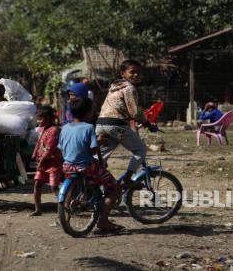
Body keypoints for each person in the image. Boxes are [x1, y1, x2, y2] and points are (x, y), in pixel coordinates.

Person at [58, 97, 123, 234]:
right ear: (88, 113)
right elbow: (93, 150)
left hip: (68, 166)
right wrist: (99, 141)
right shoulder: (88, 128)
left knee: (85, 183)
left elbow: (61, 148)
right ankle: (103, 220)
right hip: (86, 167)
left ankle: (67, 215)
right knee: (114, 187)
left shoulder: (64, 128)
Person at [95, 60, 158, 189]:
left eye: (138, 73)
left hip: (101, 124)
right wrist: (147, 123)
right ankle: (128, 179)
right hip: (116, 124)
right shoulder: (129, 88)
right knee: (140, 149)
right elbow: (134, 112)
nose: (136, 75)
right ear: (123, 73)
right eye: (132, 72)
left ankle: (93, 184)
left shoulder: (114, 87)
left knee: (100, 159)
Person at [30, 105, 62, 216]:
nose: (38, 121)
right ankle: (38, 209)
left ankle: (63, 209)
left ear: (49, 118)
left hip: (53, 163)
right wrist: (34, 154)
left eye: (40, 119)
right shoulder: (44, 129)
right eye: (38, 118)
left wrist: (41, 162)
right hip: (43, 163)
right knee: (37, 184)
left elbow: (49, 149)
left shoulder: (54, 130)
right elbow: (39, 143)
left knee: (54, 186)